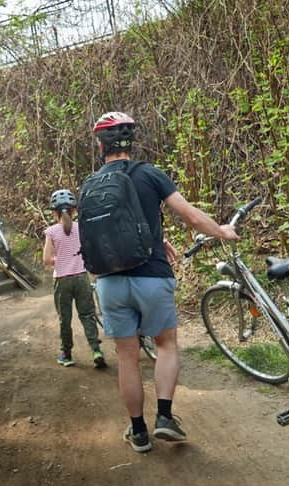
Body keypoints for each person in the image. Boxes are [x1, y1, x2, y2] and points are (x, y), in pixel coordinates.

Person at [88, 112, 239, 453]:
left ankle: (138, 432)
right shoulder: (149, 174)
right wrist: (222, 232)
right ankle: (166, 418)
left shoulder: (91, 184)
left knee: (127, 357)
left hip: (109, 282)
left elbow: (103, 233)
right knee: (166, 344)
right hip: (151, 276)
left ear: (101, 146)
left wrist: (156, 238)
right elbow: (189, 215)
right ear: (131, 142)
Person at [43, 189, 106, 369]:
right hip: (81, 277)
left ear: (54, 212)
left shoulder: (51, 232)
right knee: (87, 315)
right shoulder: (82, 228)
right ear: (75, 211)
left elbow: (47, 259)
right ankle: (96, 351)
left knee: (65, 318)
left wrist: (61, 259)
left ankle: (67, 354)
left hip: (62, 281)